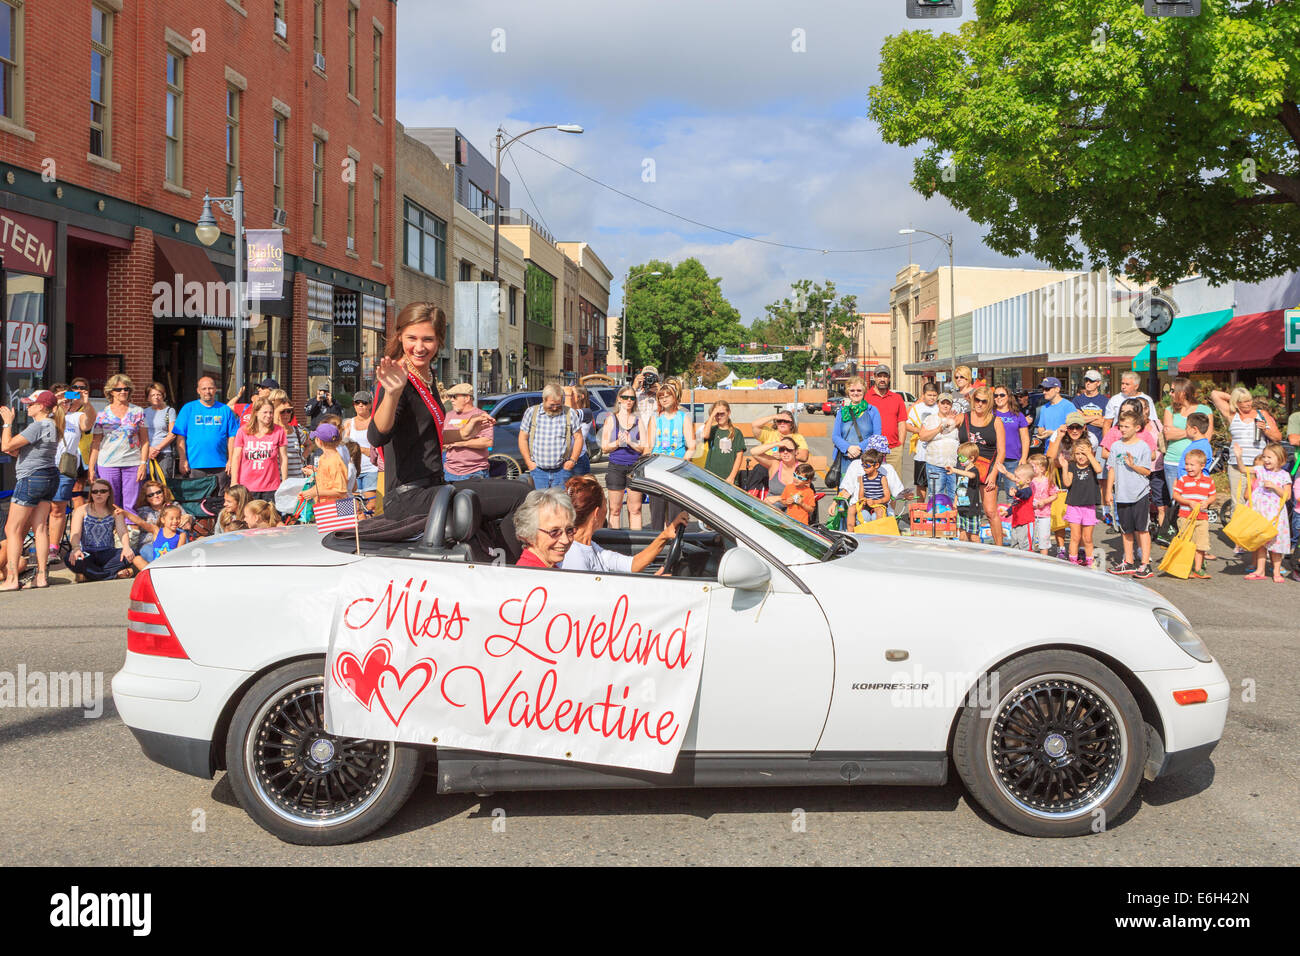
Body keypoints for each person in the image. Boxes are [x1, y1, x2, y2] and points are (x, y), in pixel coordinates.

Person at [369, 304, 492, 523]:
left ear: (440, 341)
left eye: (428, 339)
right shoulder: (398, 377)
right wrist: (392, 394)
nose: (419, 347)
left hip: (435, 486)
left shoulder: (428, 375)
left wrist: (465, 432)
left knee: (518, 492)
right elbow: (378, 436)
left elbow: (425, 437)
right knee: (516, 497)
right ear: (399, 337)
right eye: (411, 338)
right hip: (408, 496)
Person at [561, 476, 687, 572]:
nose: (607, 508)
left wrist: (664, 535)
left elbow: (631, 564)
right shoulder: (575, 555)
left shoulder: (588, 546)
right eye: (606, 503)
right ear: (596, 512)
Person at [1, 390, 60, 591]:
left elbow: (6, 445)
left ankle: (11, 579)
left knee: (12, 529)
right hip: (49, 476)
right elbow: (25, 451)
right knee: (40, 527)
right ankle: (41, 577)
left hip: (31, 478)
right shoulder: (52, 425)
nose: (27, 407)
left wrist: (7, 423)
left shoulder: (38, 426)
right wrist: (17, 450)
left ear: (41, 407)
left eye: (31, 404)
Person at [88, 373, 149, 516]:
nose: (123, 392)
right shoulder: (102, 414)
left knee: (131, 503)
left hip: (132, 462)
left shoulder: (138, 412)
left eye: (126, 389)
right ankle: (112, 530)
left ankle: (130, 533)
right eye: (118, 389)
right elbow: (96, 442)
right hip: (107, 463)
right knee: (109, 501)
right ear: (111, 392)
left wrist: (143, 463)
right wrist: (91, 468)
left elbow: (145, 440)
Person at [47, 382, 94, 564]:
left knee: (58, 509)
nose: (65, 401)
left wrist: (86, 402)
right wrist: (54, 404)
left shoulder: (76, 416)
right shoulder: (46, 416)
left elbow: (87, 424)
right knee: (39, 508)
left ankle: (53, 548)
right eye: (60, 397)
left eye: (68, 397)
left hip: (64, 469)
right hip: (44, 467)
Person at [1211, 387, 1282, 506]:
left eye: (1249, 400)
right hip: (1236, 465)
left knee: (1256, 500)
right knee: (1237, 502)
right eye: (1244, 401)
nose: (1248, 404)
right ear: (1236, 403)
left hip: (1258, 465)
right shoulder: (1232, 415)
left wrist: (1265, 430)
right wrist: (1234, 399)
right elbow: (1214, 394)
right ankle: (1238, 524)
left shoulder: (1261, 414)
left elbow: (1278, 437)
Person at [1106, 411, 1156, 578]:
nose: (1123, 429)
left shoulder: (1142, 447)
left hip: (1139, 493)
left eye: (1127, 426)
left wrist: (1133, 465)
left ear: (1137, 427)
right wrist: (1108, 491)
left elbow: (1147, 471)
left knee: (1142, 529)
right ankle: (1128, 561)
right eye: (1121, 426)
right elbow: (1111, 469)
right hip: (1122, 494)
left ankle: (1145, 564)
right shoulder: (1115, 446)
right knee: (1126, 529)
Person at [64, 479, 137, 582]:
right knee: (71, 558)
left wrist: (126, 547)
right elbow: (75, 533)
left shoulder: (115, 511)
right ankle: (111, 575)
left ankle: (91, 575)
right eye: (95, 491)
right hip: (87, 552)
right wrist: (76, 548)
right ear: (91, 494)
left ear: (109, 493)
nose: (98, 494)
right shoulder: (81, 510)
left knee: (133, 553)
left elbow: (122, 532)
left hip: (108, 553)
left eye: (103, 491)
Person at [645, 383, 695, 529]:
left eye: (667, 396)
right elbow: (649, 446)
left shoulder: (683, 417)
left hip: (676, 468)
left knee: (675, 513)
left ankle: (675, 544)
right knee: (657, 513)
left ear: (674, 397)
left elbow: (692, 446)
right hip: (657, 469)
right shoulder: (655, 418)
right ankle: (657, 543)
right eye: (661, 397)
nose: (664, 399)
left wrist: (683, 463)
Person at [960, 385, 1005, 546]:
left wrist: (994, 474)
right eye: (977, 400)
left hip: (988, 468)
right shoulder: (964, 417)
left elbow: (1001, 452)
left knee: (990, 511)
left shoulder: (996, 421)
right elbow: (945, 425)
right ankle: (966, 546)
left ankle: (999, 548)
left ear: (989, 403)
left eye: (984, 401)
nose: (979, 404)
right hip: (966, 469)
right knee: (964, 510)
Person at [519, 383, 585, 490]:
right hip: (538, 472)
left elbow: (579, 438)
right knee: (540, 504)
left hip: (562, 471)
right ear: (544, 399)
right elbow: (522, 438)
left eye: (558, 405)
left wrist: (572, 461)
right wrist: (528, 462)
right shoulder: (531, 412)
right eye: (551, 405)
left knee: (560, 505)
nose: (555, 408)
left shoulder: (570, 413)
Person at [173, 376, 241, 477]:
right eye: (204, 389)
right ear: (198, 391)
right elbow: (180, 436)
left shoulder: (225, 410)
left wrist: (231, 460)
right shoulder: (188, 408)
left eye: (210, 388)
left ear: (215, 389)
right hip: (194, 465)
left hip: (220, 465)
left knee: (219, 493)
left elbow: (232, 437)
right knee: (197, 493)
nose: (207, 391)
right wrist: (183, 459)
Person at [602, 386, 649, 529]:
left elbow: (644, 447)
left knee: (635, 509)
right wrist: (618, 442)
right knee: (615, 510)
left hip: (634, 468)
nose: (629, 401)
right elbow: (604, 448)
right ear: (619, 399)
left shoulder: (638, 421)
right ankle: (615, 543)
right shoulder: (611, 419)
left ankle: (636, 542)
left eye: (632, 398)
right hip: (616, 467)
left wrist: (630, 442)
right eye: (625, 397)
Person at [1243, 443, 1291, 582]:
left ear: (1280, 459)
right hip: (1261, 513)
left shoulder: (1284, 475)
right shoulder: (1261, 470)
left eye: (1270, 457)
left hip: (1275, 515)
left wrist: (1275, 487)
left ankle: (1276, 571)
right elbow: (1243, 469)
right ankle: (1260, 570)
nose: (1266, 460)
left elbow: (1287, 496)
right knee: (1261, 543)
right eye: (1264, 457)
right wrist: (1239, 457)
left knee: (1275, 545)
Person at [231, 396, 288, 503]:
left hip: (271, 486)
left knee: (270, 518)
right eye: (265, 412)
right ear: (256, 412)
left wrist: (284, 482)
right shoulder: (243, 431)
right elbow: (236, 457)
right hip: (247, 486)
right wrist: (234, 481)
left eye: (271, 412)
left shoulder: (279, 431)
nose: (269, 415)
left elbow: (283, 458)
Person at [1170, 448, 1215, 580]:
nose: (1188, 467)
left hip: (1202, 518)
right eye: (1187, 464)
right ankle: (1185, 566)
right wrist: (1188, 502)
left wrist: (1207, 502)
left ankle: (1198, 568)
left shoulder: (1208, 481)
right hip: (1185, 516)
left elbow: (1212, 496)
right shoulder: (1183, 480)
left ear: (1202, 466)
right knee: (1186, 543)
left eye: (1192, 465)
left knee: (1201, 544)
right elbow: (1176, 495)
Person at [1059, 435, 1103, 567]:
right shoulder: (1072, 466)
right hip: (1074, 506)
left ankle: (1090, 562)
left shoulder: (1093, 465)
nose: (1080, 456)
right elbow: (1067, 483)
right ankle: (1073, 562)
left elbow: (1099, 470)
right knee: (1075, 537)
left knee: (1087, 538)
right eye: (1077, 453)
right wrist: (1065, 467)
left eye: (1083, 453)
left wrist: (1089, 455)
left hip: (1089, 506)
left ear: (1090, 451)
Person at [439, 383, 493, 482]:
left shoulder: (481, 416)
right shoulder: (448, 415)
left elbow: (487, 442)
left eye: (454, 396)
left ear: (467, 398)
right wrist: (444, 445)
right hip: (449, 472)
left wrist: (460, 443)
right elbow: (442, 438)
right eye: (450, 397)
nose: (451, 400)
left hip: (475, 472)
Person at [513, 487, 577, 568]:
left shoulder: (549, 569)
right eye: (554, 532)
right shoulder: (531, 576)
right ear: (528, 535)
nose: (565, 540)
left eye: (569, 530)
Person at [864, 364, 909, 475]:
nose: (882, 379)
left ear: (889, 379)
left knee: (894, 485)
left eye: (885, 376)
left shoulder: (897, 398)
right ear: (874, 377)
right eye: (880, 376)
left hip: (893, 449)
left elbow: (902, 422)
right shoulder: (866, 397)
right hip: (872, 451)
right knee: (872, 484)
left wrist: (900, 445)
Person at [832, 377, 882, 468]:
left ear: (864, 392)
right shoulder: (842, 411)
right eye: (852, 390)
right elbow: (835, 436)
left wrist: (859, 447)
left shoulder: (872, 411)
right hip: (845, 459)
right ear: (848, 392)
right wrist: (848, 448)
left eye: (859, 390)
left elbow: (877, 435)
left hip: (867, 460)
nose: (855, 393)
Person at [918, 392, 960, 502]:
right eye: (943, 403)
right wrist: (939, 429)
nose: (945, 405)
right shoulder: (930, 419)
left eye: (948, 403)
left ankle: (951, 518)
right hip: (935, 465)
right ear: (938, 404)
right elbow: (922, 436)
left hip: (953, 465)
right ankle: (936, 518)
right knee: (936, 496)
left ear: (951, 405)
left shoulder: (957, 419)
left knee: (954, 496)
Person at [992, 384, 1030, 503]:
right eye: (996, 395)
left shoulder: (1018, 415)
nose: (998, 397)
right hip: (994, 458)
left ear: (1008, 397)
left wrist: (1024, 457)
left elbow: (1025, 438)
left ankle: (1010, 520)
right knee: (991, 492)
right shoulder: (990, 414)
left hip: (1013, 459)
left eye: (1002, 395)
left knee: (1012, 494)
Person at [300, 423, 349, 511]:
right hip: (324, 507)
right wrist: (315, 473)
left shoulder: (335, 461)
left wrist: (315, 492)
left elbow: (341, 491)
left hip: (336, 509)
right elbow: (326, 481)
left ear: (319, 441)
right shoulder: (323, 458)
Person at [905, 382, 941, 500]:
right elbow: (906, 425)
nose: (932, 398)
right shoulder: (916, 408)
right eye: (929, 395)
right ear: (923, 395)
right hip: (921, 453)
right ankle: (920, 508)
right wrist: (918, 430)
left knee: (936, 484)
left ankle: (933, 509)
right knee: (921, 484)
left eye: (934, 395)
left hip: (936, 453)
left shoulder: (940, 407)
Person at [697, 400, 747, 484]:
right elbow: (705, 435)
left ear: (729, 413)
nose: (719, 417)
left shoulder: (736, 432)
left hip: (728, 477)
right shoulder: (712, 430)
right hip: (710, 476)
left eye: (722, 414)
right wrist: (712, 415)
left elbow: (739, 456)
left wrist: (732, 477)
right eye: (717, 414)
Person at [342, 391, 381, 493]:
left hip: (372, 470)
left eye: (364, 402)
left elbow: (378, 450)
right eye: (357, 402)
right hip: (353, 471)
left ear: (370, 405)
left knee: (370, 504)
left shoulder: (375, 422)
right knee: (355, 505)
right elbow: (345, 447)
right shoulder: (348, 423)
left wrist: (360, 449)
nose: (360, 405)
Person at [143, 382, 178, 479]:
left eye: (159, 394)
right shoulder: (143, 412)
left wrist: (157, 448)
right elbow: (140, 434)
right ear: (148, 398)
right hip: (147, 453)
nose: (156, 397)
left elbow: (172, 434)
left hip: (164, 453)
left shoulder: (169, 411)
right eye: (152, 395)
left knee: (163, 484)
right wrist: (149, 449)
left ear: (163, 396)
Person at [949, 441, 983, 543]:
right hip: (961, 507)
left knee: (973, 536)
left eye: (962, 457)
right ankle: (962, 553)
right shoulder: (962, 470)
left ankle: (981, 554)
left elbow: (971, 475)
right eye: (959, 457)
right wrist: (955, 502)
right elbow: (959, 488)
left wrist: (955, 470)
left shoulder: (974, 471)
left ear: (972, 458)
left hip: (971, 509)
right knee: (962, 534)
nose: (960, 460)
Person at [1032, 377, 1074, 454]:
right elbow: (1040, 428)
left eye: (1047, 389)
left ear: (1057, 389)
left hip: (1065, 452)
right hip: (1049, 451)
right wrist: (1041, 433)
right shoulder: (1044, 408)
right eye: (1043, 389)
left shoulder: (1068, 406)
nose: (1044, 392)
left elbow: (1075, 431)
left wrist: (1053, 433)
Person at [1029, 453, 1058, 557]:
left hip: (1044, 515)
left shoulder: (1048, 481)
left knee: (1044, 538)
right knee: (1030, 538)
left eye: (1032, 466)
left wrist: (1044, 501)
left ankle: (1044, 559)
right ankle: (1029, 557)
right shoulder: (1029, 481)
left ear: (1042, 469)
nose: (1030, 469)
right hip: (1030, 515)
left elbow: (1054, 495)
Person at [564, 385, 597, 476]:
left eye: (572, 394)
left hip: (579, 460)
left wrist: (567, 394)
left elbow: (569, 416)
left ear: (581, 397)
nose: (569, 396)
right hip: (564, 459)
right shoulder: (565, 410)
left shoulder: (587, 412)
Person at [1072, 370, 1110, 445]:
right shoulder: (1077, 400)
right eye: (1086, 380)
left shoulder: (1105, 401)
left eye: (1091, 381)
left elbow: (1104, 423)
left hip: (1099, 443)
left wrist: (1084, 418)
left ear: (1098, 383)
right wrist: (1097, 416)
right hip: (1080, 442)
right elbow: (1076, 420)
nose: (1088, 383)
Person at [1006, 463, 1035, 551]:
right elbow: (1015, 505)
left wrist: (1016, 493)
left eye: (1018, 478)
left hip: (1026, 523)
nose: (1016, 480)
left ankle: (1029, 562)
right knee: (1015, 545)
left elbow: (1024, 495)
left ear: (1027, 480)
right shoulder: (1019, 491)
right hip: (1016, 523)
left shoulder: (1027, 491)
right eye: (1015, 477)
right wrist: (1007, 512)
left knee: (1026, 546)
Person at [1177, 412, 1214, 479]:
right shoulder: (1200, 444)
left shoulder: (1200, 447)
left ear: (1194, 429)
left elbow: (1196, 470)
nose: (1185, 429)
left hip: (1192, 486)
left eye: (1187, 427)